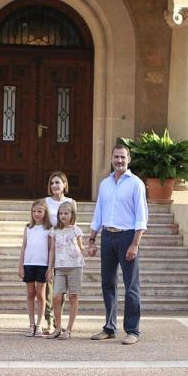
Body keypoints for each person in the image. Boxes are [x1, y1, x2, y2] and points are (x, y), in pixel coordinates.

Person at [87, 143, 147, 345]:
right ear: (111, 159)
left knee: (131, 286)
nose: (119, 161)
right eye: (116, 157)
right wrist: (92, 238)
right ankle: (109, 328)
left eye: (123, 157)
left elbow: (141, 217)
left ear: (129, 159)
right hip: (107, 236)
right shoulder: (105, 184)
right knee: (108, 283)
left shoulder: (136, 184)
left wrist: (135, 244)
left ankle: (133, 331)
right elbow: (99, 213)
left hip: (127, 236)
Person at [42, 171, 75, 333]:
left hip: (65, 249)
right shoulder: (45, 202)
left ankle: (58, 320)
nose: (54, 185)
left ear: (64, 185)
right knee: (49, 285)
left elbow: (72, 224)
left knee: (60, 288)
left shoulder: (71, 202)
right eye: (52, 183)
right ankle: (48, 319)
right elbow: (42, 223)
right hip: (49, 244)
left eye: (58, 182)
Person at [46, 201, 84, 340]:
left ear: (72, 215)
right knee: (56, 297)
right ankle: (57, 328)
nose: (63, 216)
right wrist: (49, 269)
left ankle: (68, 330)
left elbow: (81, 248)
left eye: (66, 213)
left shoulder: (76, 230)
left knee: (73, 297)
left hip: (75, 266)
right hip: (60, 268)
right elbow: (52, 251)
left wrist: (90, 250)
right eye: (61, 213)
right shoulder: (54, 230)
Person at [18, 200, 52, 337]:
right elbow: (24, 246)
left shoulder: (49, 229)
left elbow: (51, 250)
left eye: (39, 211)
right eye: (34, 211)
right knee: (30, 294)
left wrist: (50, 268)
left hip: (43, 265)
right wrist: (21, 265)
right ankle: (31, 325)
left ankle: (39, 325)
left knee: (41, 295)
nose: (36, 214)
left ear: (45, 213)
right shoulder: (28, 228)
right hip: (29, 264)